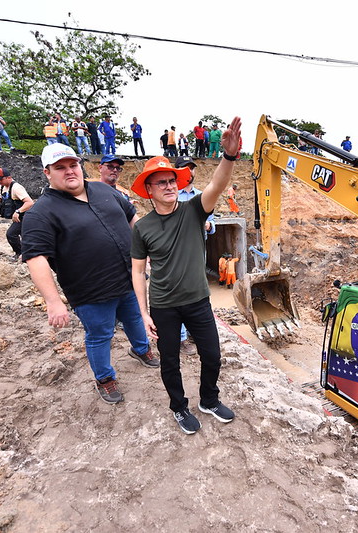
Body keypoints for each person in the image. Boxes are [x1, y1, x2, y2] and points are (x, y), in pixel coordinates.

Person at [130, 116, 241, 435]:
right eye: (161, 182)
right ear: (149, 189)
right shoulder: (143, 228)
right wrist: (142, 311)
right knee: (170, 362)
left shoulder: (193, 210)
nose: (168, 186)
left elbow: (217, 185)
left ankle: (208, 399)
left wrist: (230, 156)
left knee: (212, 355)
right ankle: (179, 407)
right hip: (164, 305)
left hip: (198, 302)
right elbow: (138, 271)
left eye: (171, 181)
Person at [22, 143, 157, 405]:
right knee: (100, 335)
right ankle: (105, 378)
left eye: (73, 165)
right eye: (60, 167)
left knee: (134, 319)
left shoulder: (103, 190)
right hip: (90, 291)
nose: (69, 171)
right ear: (47, 172)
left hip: (128, 279)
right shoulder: (41, 212)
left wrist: (148, 248)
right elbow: (36, 258)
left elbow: (132, 218)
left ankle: (141, 350)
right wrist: (53, 301)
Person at [175, 155, 216, 356]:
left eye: (192, 168)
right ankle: (181, 338)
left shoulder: (203, 196)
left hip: (198, 253)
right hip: (177, 254)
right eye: (184, 168)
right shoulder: (171, 195)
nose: (189, 171)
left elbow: (213, 225)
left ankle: (194, 331)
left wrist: (208, 225)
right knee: (180, 294)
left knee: (197, 293)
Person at [0, 167, 33, 261]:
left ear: (8, 177)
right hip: (19, 216)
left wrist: (18, 211)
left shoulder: (16, 187)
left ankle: (21, 254)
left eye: (0, 179)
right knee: (23, 236)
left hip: (25, 216)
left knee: (11, 234)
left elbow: (29, 202)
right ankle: (23, 254)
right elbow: (5, 200)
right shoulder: (3, 187)